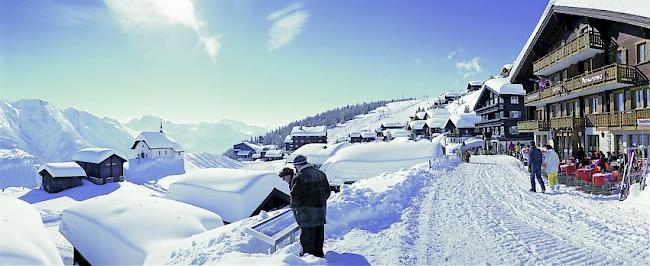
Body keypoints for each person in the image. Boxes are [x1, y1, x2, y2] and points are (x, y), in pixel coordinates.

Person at [290, 155, 331, 258]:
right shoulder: (321, 173)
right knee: (318, 235)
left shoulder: (299, 176)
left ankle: (308, 259)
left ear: (297, 166)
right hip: (320, 211)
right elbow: (327, 192)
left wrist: (297, 210)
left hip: (307, 214)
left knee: (308, 238)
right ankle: (319, 257)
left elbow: (295, 197)